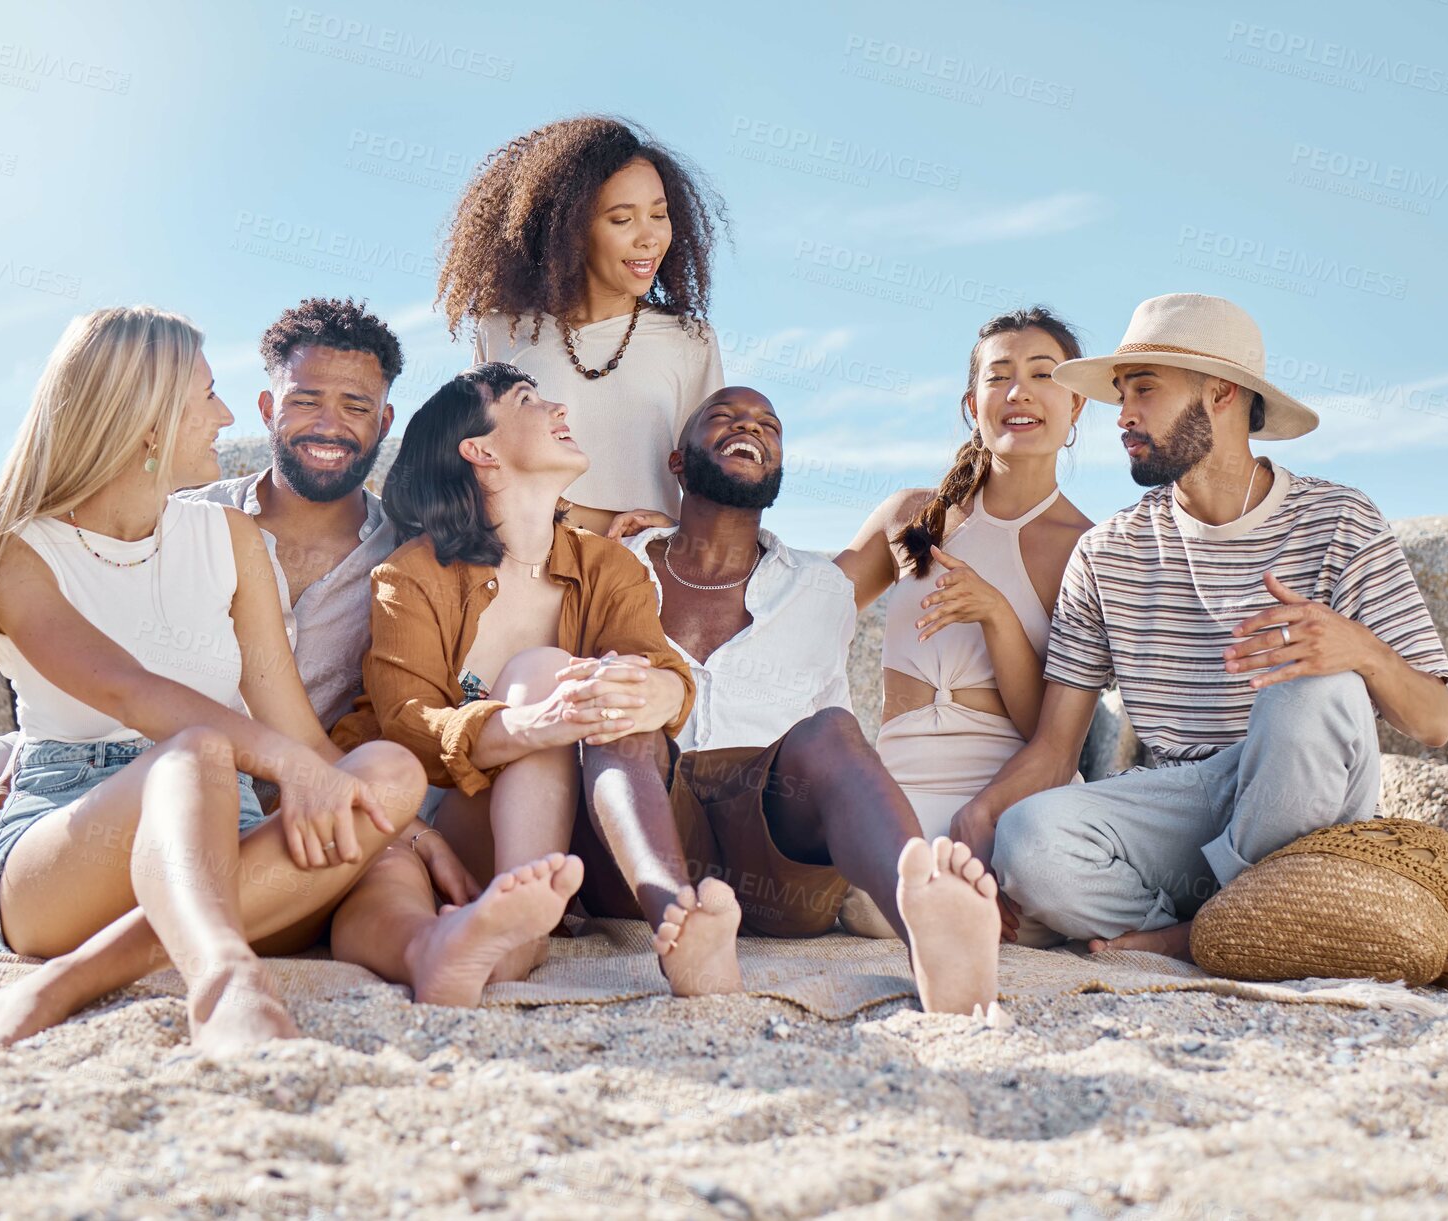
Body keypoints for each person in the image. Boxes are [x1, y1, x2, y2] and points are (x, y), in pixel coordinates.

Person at [0, 298, 476, 926]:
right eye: (210, 395)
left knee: (366, 776)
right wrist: (22, 772)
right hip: (87, 771)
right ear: (146, 419)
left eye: (354, 406)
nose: (223, 415)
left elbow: (297, 732)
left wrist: (413, 832)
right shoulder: (49, 543)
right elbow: (123, 689)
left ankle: (161, 938)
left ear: (383, 420)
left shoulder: (299, 544)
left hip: (242, 794)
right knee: (182, 764)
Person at [953, 293, 1448, 957]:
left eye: (1144, 391)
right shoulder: (1108, 553)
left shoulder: (1340, 519)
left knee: (1309, 690)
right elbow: (1054, 748)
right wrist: (981, 815)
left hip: (1301, 792)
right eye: (1119, 395)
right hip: (1179, 799)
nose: (1122, 415)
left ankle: (1200, 929)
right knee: (1030, 839)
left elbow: (1434, 722)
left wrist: (1357, 649)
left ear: (1219, 392)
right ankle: (1220, 928)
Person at [598, 386, 1003, 1016]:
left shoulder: (821, 588)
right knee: (618, 712)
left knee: (832, 730)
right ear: (678, 463)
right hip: (641, 844)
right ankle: (681, 928)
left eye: (768, 424)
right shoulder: (611, 567)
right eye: (725, 418)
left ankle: (927, 925)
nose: (750, 428)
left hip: (775, 860)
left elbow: (922, 512)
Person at [325, 362, 701, 1003]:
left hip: (541, 827)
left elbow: (659, 666)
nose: (557, 408)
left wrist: (654, 690)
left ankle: (518, 930)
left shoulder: (609, 567)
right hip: (418, 808)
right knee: (388, 875)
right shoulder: (411, 575)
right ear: (481, 450)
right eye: (530, 399)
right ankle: (446, 951)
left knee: (548, 671)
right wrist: (532, 722)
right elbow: (404, 721)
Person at [835, 308, 1094, 845]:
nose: (1018, 391)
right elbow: (805, 606)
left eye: (1042, 374)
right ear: (973, 405)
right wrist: (685, 531)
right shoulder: (909, 514)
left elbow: (1049, 739)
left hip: (1015, 802)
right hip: (898, 793)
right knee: (868, 897)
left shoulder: (1089, 548)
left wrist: (996, 614)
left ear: (1076, 403)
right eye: (998, 376)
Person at [438, 116, 726, 535]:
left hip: (644, 583)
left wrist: (671, 533)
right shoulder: (503, 332)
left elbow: (713, 487)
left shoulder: (691, 344)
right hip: (528, 577)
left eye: (659, 215)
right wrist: (607, 523)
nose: (650, 238)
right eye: (622, 220)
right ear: (570, 230)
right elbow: (480, 474)